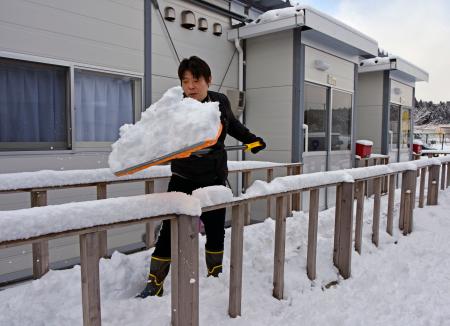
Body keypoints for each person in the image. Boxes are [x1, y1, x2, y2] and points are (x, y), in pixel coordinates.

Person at [137, 56, 266, 298]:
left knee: (216, 228)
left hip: (213, 176)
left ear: (208, 80)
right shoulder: (175, 106)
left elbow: (233, 125)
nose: (190, 87)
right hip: (183, 176)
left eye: (196, 80)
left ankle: (214, 275)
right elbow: (156, 136)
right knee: (169, 229)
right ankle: (155, 281)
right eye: (185, 81)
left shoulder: (219, 102)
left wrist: (251, 139)